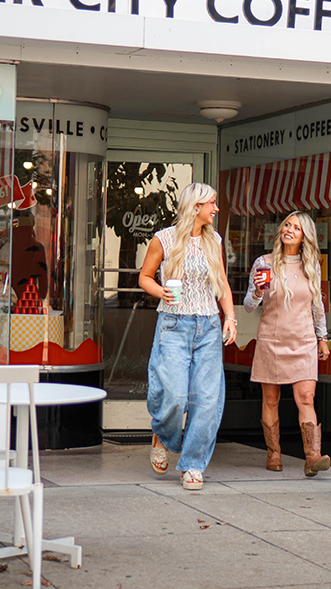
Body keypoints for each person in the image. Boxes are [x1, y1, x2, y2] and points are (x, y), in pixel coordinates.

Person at [138, 183, 237, 491]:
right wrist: (161, 290)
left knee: (207, 400)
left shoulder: (214, 239)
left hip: (207, 324)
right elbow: (144, 276)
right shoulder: (163, 239)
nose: (216, 208)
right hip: (173, 324)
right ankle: (162, 434)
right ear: (195, 207)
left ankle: (193, 464)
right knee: (174, 395)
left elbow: (221, 280)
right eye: (211, 203)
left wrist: (230, 317)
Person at [244, 211, 331, 476]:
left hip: (303, 340)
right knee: (271, 399)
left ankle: (312, 457)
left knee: (306, 397)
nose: (289, 230)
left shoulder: (311, 265)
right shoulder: (264, 262)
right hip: (271, 340)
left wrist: (323, 338)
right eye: (287, 225)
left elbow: (318, 305)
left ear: (305, 236)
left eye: (296, 227)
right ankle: (274, 454)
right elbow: (249, 306)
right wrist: (258, 291)